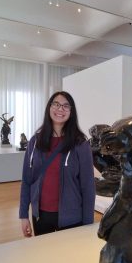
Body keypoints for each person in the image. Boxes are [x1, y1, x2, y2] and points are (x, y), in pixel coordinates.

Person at [19, 91, 95, 237]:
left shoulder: (80, 144)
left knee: (69, 259)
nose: (60, 109)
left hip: (71, 218)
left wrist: (88, 225)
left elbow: (88, 187)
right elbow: (27, 180)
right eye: (56, 104)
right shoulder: (35, 142)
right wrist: (24, 215)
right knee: (44, 257)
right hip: (40, 217)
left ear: (71, 112)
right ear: (49, 108)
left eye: (66, 106)